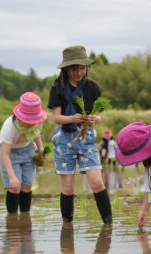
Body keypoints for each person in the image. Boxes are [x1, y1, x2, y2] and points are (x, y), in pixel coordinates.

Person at [48, 45, 112, 224]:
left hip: (87, 138)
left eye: (81, 68)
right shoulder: (57, 87)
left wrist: (94, 120)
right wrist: (71, 119)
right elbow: (56, 118)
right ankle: (67, 229)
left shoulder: (93, 88)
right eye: (74, 68)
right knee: (68, 188)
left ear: (86, 67)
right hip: (64, 140)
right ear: (66, 69)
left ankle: (108, 226)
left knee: (97, 183)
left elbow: (99, 114)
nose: (78, 72)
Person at [0, 92, 47, 214]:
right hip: (11, 154)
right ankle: (12, 219)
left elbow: (36, 133)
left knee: (27, 186)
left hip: (28, 150)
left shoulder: (37, 122)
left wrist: (40, 148)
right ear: (20, 116)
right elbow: (5, 154)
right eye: (28, 120)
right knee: (15, 187)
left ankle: (25, 217)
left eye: (34, 120)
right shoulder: (9, 127)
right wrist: (12, 176)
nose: (31, 123)